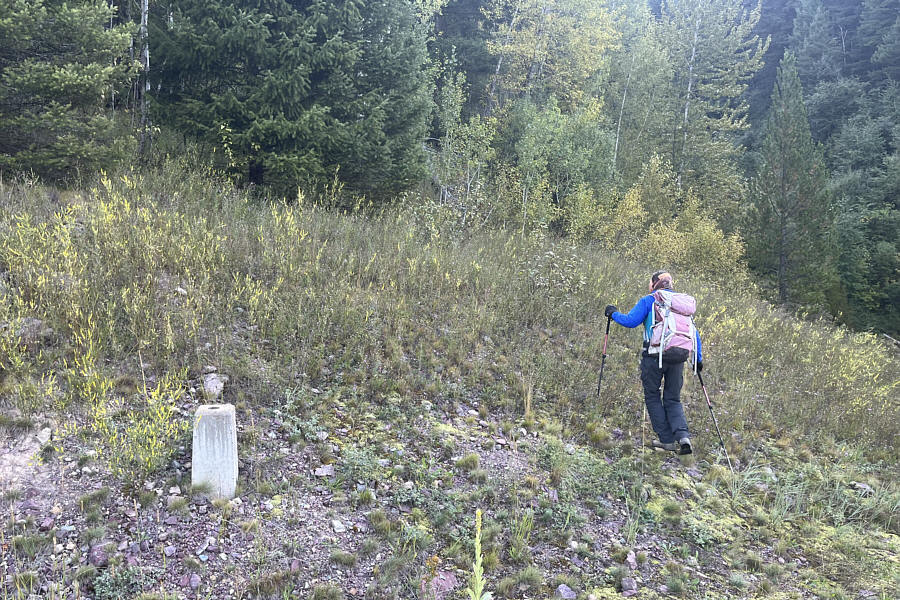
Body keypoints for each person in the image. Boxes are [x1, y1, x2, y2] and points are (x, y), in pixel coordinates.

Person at [604, 271, 702, 455]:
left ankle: (666, 440)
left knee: (652, 395)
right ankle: (683, 436)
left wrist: (613, 313)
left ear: (654, 283)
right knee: (673, 398)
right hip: (678, 356)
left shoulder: (650, 300)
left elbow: (631, 321)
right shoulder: (681, 305)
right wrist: (699, 359)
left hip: (654, 356)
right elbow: (694, 334)